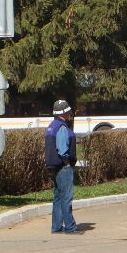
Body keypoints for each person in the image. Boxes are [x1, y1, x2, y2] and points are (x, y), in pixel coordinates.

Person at [45, 99, 79, 233]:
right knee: (66, 197)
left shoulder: (52, 126)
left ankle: (57, 227)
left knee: (58, 197)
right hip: (63, 166)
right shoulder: (62, 127)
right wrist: (68, 161)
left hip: (53, 166)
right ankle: (70, 227)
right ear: (64, 113)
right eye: (68, 112)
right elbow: (62, 149)